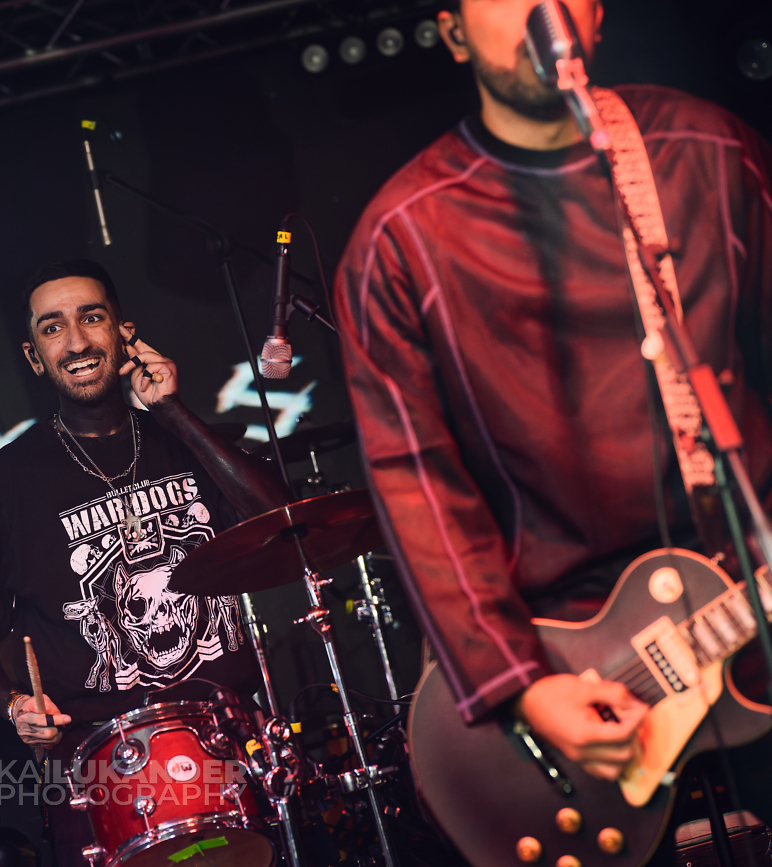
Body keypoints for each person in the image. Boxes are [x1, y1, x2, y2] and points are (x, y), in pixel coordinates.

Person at [333, 0, 772, 835]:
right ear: (453, 32)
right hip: (577, 662)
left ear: (598, 14)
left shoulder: (707, 150)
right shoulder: (401, 241)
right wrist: (525, 686)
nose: (541, 10)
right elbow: (419, 489)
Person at [0, 260, 290, 864]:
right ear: (34, 357)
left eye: (92, 318)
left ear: (124, 333)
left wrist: (174, 412)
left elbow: (286, 526)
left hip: (228, 737)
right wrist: (15, 705)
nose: (76, 342)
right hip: (102, 768)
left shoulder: (182, 438)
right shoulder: (9, 479)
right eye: (53, 328)